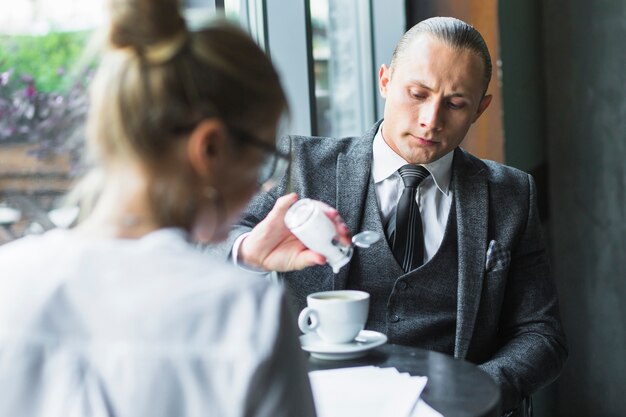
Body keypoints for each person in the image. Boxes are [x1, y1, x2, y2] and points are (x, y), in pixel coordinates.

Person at [216, 16, 567, 416]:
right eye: (417, 93)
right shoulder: (302, 166)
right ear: (385, 80)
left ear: (480, 109)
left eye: (455, 104)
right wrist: (247, 252)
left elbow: (542, 335)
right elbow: (197, 245)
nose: (431, 120)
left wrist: (474, 392)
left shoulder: (511, 194)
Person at [0, 0, 316, 416]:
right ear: (211, 147)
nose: (265, 182)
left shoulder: (10, 278)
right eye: (262, 159)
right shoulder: (245, 316)